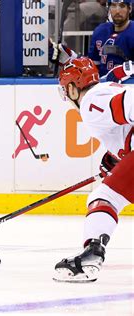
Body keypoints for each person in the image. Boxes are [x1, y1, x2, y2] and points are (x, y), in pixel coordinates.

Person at [53, 56, 134, 283]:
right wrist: (118, 157)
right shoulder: (106, 89)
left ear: (72, 87)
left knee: (104, 197)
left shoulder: (90, 102)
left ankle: (91, 255)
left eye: (65, 90)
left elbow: (130, 104)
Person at [87, 0, 134, 76]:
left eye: (122, 6)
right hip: (102, 84)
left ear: (130, 8)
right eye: (113, 6)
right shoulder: (100, 31)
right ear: (109, 8)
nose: (117, 11)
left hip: (128, 85)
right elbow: (92, 65)